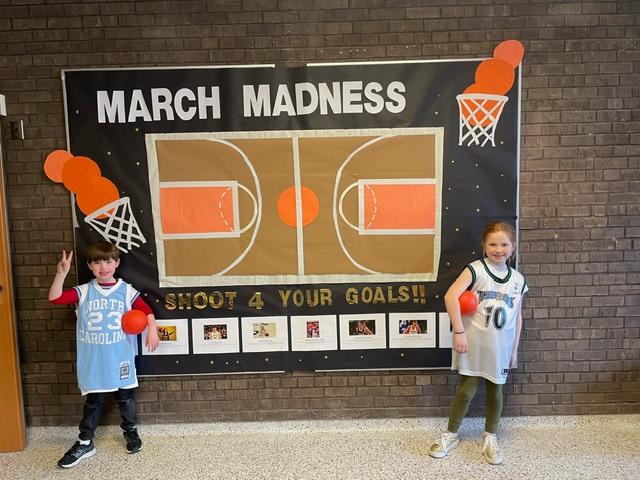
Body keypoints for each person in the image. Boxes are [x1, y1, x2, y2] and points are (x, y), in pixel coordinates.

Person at [48, 241, 159, 469]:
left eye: (108, 261)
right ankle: (85, 442)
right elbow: (55, 298)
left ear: (116, 263)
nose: (103, 267)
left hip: (120, 358)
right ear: (90, 266)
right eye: (97, 262)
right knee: (93, 402)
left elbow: (147, 310)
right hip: (94, 361)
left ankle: (130, 430)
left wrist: (152, 330)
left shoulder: (126, 290)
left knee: (125, 398)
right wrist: (61, 274)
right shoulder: (84, 291)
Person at [429, 221, 527, 465]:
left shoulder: (517, 279)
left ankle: (490, 436)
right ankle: (451, 434)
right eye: (493, 244)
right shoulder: (476, 269)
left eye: (504, 244)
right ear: (484, 245)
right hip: (473, 342)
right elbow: (450, 296)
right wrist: (459, 332)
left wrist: (514, 349)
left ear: (513, 247)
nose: (498, 249)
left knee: (496, 391)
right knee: (466, 391)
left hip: (501, 346)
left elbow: (517, 317)